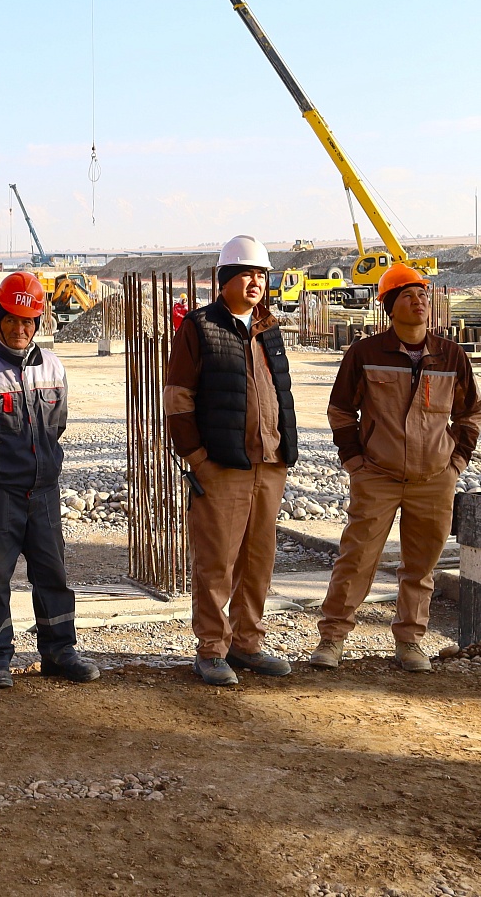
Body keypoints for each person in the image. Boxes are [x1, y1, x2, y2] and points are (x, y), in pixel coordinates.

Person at [311, 265, 481, 672]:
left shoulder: (450, 355)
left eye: (422, 294)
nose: (418, 301)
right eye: (407, 295)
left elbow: (470, 415)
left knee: (421, 566)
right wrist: (355, 462)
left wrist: (455, 464)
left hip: (434, 479)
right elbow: (339, 411)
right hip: (378, 477)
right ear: (390, 305)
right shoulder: (366, 353)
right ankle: (332, 638)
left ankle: (409, 642)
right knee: (357, 560)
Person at [0, 271, 99, 689]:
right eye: (11, 319)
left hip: (43, 493)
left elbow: (57, 425)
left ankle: (59, 650)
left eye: (28, 321)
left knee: (52, 573)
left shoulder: (54, 367)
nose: (19, 328)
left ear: (37, 324)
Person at [165, 234, 298, 686]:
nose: (256, 282)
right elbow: (178, 399)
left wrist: (286, 450)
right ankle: (211, 648)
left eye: (261, 274)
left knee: (258, 560)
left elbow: (281, 392)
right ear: (225, 280)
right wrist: (198, 459)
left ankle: (247, 643)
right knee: (217, 562)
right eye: (247, 273)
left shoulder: (269, 329)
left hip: (269, 463)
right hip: (221, 468)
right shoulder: (200, 327)